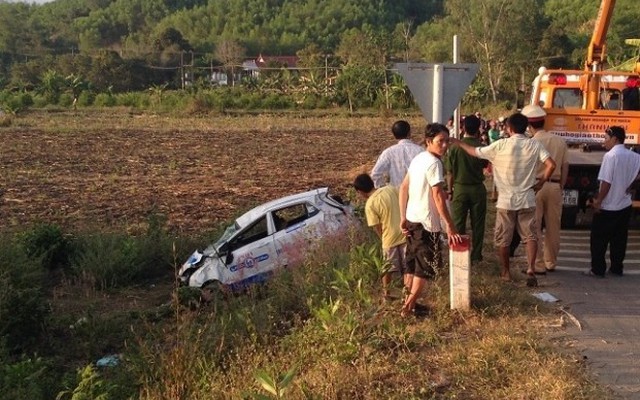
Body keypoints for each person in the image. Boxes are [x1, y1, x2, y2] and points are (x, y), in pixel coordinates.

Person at [449, 112, 556, 286]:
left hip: (506, 200)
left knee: (503, 238)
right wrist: (541, 182)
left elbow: (474, 152)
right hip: (527, 198)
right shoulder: (534, 145)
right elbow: (551, 165)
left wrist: (458, 142)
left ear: (509, 128)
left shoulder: (500, 145)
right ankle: (530, 269)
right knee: (530, 236)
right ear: (526, 128)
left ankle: (505, 272)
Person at [399, 123, 463, 317]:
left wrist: (403, 217)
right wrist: (449, 227)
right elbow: (438, 196)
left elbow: (403, 188)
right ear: (428, 142)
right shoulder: (435, 164)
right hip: (426, 224)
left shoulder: (418, 159)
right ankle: (407, 308)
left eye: (446, 141)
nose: (444, 146)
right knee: (423, 269)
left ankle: (410, 304)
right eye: (440, 142)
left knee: (411, 265)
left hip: (412, 219)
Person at [586, 126, 640, 277]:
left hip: (608, 205)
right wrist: (628, 186)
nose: (604, 143)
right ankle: (616, 268)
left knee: (598, 240)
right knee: (619, 239)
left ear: (615, 139)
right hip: (624, 204)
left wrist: (598, 201)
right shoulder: (634, 156)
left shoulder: (610, 156)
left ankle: (598, 269)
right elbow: (636, 176)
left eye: (606, 139)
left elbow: (606, 182)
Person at [521, 104, 569, 274]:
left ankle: (538, 264)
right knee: (553, 226)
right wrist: (560, 186)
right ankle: (551, 262)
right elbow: (564, 167)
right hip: (554, 185)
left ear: (529, 125)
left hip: (535, 187)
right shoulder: (560, 141)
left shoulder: (530, 143)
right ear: (544, 121)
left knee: (534, 225)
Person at [353, 173, 410, 298]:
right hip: (405, 233)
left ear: (360, 191)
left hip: (389, 239)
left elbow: (377, 227)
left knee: (387, 268)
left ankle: (386, 294)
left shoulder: (370, 205)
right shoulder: (391, 189)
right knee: (408, 267)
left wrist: (382, 238)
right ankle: (407, 295)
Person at [444, 114, 488, 263]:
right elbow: (484, 166)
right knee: (478, 224)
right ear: (478, 129)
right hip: (477, 189)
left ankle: (459, 254)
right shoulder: (481, 147)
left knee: (458, 224)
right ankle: (476, 255)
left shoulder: (455, 148)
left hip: (460, 189)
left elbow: (449, 173)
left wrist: (450, 190)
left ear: (463, 128)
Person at [371, 120, 423, 188]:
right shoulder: (421, 151)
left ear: (394, 135)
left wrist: (383, 189)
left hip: (396, 195)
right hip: (417, 194)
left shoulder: (388, 152)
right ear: (409, 133)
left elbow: (375, 174)